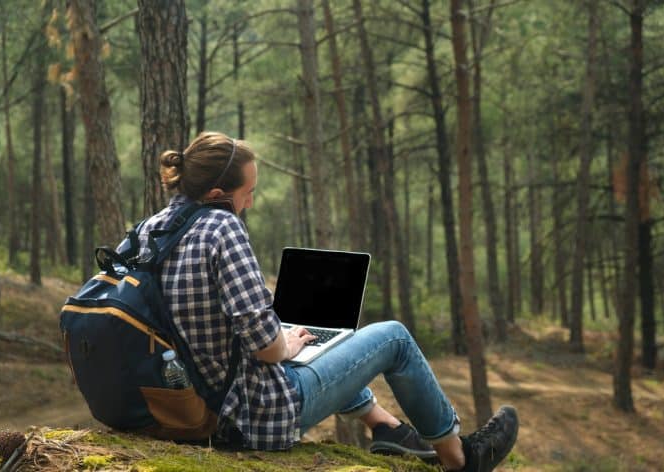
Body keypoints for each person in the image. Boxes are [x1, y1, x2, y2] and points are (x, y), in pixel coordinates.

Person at [140, 131, 518, 472]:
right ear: (216, 195)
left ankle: (385, 426)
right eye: (247, 192)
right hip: (254, 416)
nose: (250, 202)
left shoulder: (151, 230)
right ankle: (461, 459)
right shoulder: (222, 227)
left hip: (194, 405)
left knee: (321, 343)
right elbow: (266, 349)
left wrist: (287, 340)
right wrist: (284, 344)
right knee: (394, 338)